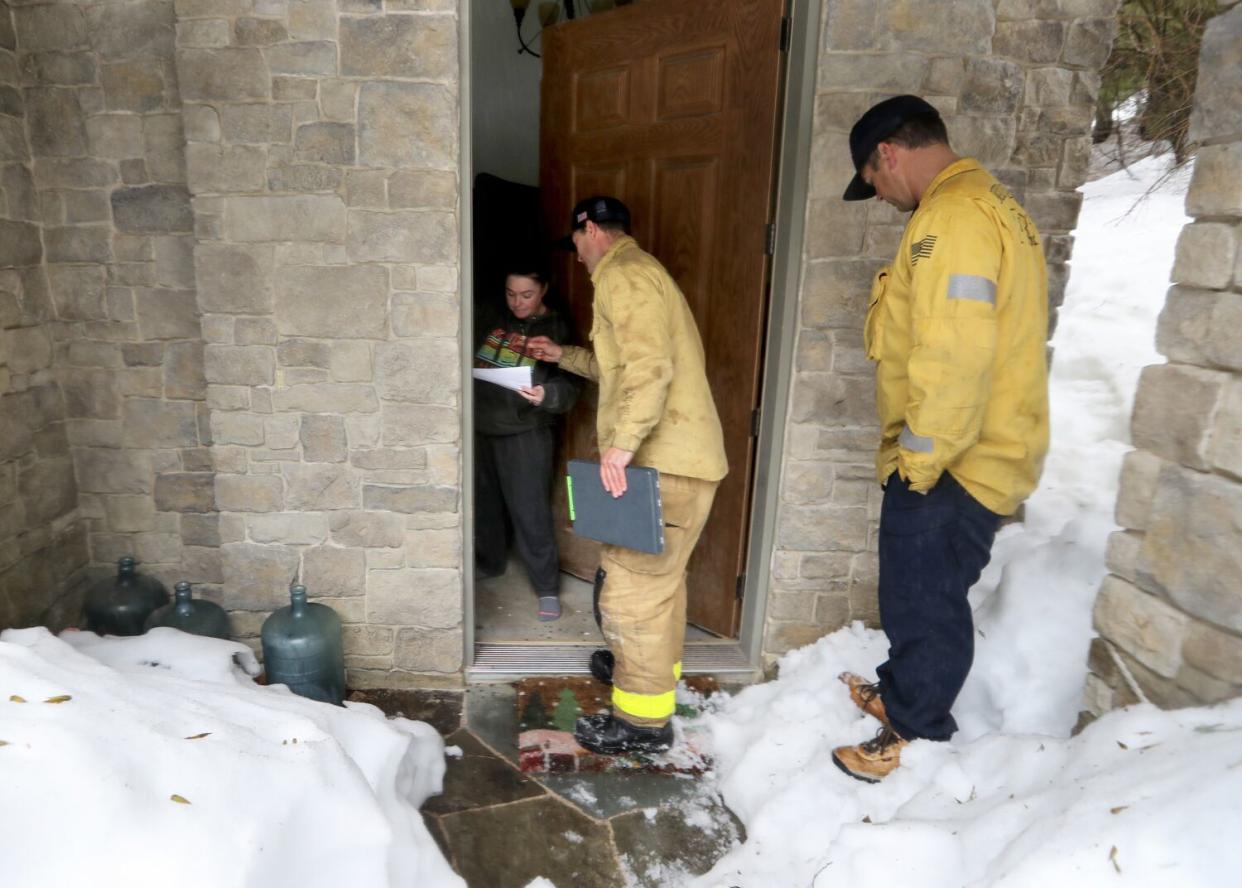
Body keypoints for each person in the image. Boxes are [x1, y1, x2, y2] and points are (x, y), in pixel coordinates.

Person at [830, 96, 1050, 782]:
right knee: (916, 591)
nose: (877, 193)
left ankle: (917, 734)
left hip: (954, 458)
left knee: (925, 602)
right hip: (972, 448)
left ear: (888, 154)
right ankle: (902, 693)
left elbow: (955, 355)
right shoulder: (986, 203)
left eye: (872, 178)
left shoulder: (951, 218)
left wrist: (919, 463)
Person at [527, 196, 727, 755]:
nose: (579, 259)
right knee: (660, 583)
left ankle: (641, 723)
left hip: (663, 465)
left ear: (591, 230)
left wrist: (619, 447)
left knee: (631, 591)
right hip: (684, 463)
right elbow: (615, 366)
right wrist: (561, 353)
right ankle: (649, 672)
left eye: (577, 247)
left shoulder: (624, 275)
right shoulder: (643, 273)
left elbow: (648, 367)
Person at [473, 259, 581, 621]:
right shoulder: (490, 315)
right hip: (481, 422)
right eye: (511, 293)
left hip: (525, 431)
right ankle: (490, 563)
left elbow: (571, 385)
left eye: (527, 295)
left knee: (530, 509)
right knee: (484, 504)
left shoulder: (557, 328)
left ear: (544, 290)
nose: (517, 302)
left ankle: (546, 586)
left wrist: (546, 394)